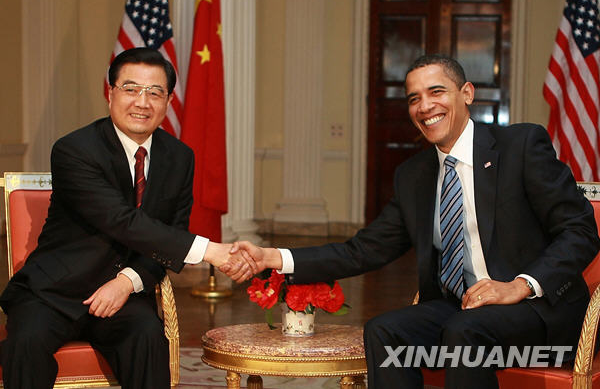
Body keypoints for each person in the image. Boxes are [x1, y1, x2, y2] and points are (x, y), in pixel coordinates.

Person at [226, 54, 600, 388]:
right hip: (462, 309)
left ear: (467, 94)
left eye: (436, 92)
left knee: (464, 333)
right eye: (414, 98)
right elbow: (363, 250)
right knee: (385, 331)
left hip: (539, 314)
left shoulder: (521, 146)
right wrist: (272, 257)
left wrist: (519, 285)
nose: (425, 106)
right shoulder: (414, 176)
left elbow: (580, 230)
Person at [0, 47, 253, 389]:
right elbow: (122, 221)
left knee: (147, 336)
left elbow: (171, 234)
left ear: (168, 101)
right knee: (25, 344)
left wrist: (126, 282)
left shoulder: (179, 157)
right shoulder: (74, 150)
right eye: (131, 89)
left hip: (125, 293)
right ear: (110, 93)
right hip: (53, 292)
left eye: (155, 92)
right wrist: (212, 251)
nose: (142, 102)